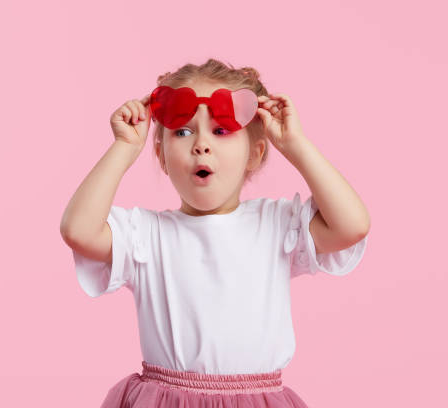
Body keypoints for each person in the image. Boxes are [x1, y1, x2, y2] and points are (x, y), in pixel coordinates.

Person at [60, 58, 370, 407]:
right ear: (161, 155)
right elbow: (78, 230)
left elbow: (352, 226)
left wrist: (295, 145)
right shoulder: (146, 234)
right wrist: (123, 148)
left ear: (254, 153)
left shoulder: (276, 224)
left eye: (220, 131)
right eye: (183, 131)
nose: (201, 145)